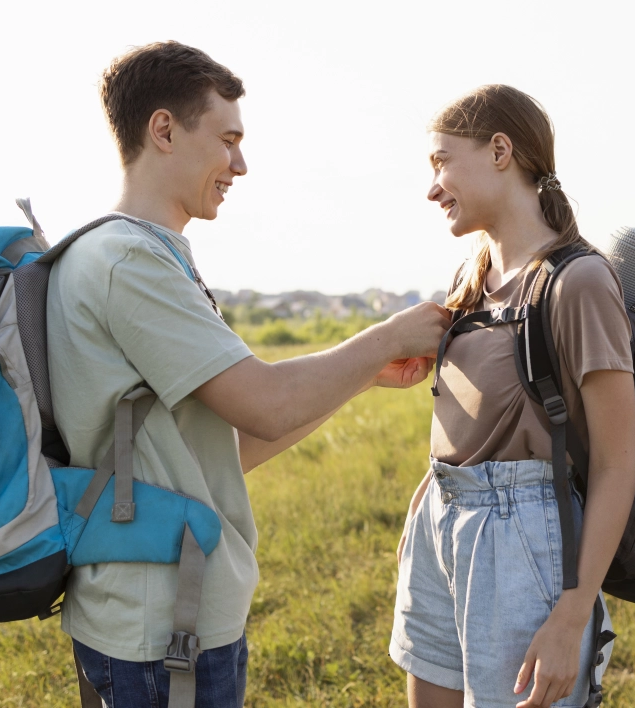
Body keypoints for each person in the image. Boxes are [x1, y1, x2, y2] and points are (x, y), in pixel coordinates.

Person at [48, 41, 450, 708]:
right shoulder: (127, 262)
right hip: (159, 631)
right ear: (164, 130)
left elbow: (224, 452)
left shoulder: (135, 253)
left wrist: (361, 374)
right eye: (228, 140)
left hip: (170, 614)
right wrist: (389, 335)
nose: (240, 164)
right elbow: (266, 403)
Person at [389, 85, 635, 708]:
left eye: (441, 162)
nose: (432, 189)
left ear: (500, 151)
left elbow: (617, 464)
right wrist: (433, 497)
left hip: (522, 539)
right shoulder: (472, 276)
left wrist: (571, 616)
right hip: (442, 520)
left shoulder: (579, 281)